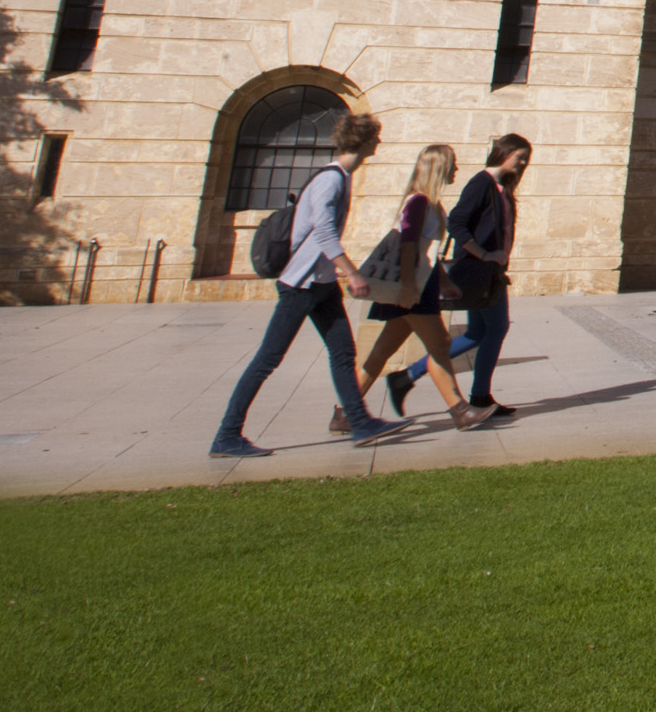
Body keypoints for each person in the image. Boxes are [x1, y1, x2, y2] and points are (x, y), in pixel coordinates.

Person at [210, 113, 398, 457]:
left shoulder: (342, 177)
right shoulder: (332, 180)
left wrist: (334, 269)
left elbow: (318, 236)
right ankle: (227, 435)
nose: (379, 143)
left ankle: (359, 422)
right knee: (267, 360)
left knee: (343, 352)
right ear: (363, 141)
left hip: (321, 283)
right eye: (376, 137)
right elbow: (323, 232)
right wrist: (352, 271)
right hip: (300, 285)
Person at [351, 145, 483, 431]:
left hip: (418, 286)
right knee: (440, 346)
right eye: (453, 165)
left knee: (381, 351)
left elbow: (428, 251)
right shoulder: (419, 202)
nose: (456, 170)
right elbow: (408, 245)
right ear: (439, 168)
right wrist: (409, 288)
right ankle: (460, 410)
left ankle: (345, 411)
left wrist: (445, 282)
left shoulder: (430, 203)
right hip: (413, 290)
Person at [397, 134, 529, 418]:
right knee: (496, 328)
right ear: (503, 153)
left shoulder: (500, 187)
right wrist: (483, 254)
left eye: (525, 158)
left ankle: (407, 375)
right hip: (480, 270)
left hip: (491, 270)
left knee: (477, 332)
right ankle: (479, 397)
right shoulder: (481, 183)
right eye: (519, 156)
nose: (523, 162)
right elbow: (458, 222)